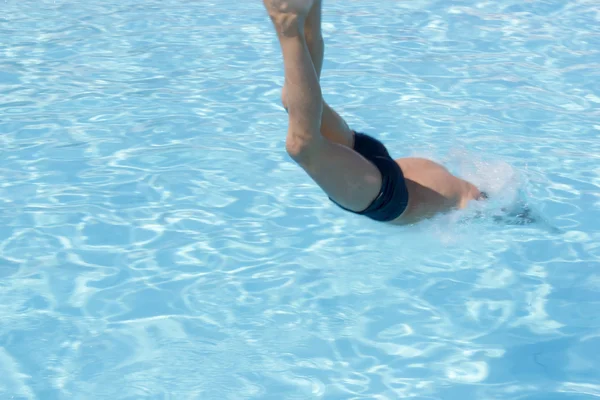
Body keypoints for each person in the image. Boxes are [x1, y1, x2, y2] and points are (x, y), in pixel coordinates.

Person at [263, 0, 484, 225]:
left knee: (294, 108)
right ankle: (288, 22)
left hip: (379, 170)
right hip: (384, 194)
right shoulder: (470, 201)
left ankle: (303, 12)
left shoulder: (461, 187)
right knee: (301, 144)